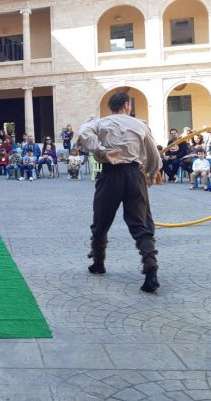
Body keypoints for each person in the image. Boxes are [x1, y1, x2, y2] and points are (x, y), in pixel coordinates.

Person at [78, 91, 162, 293]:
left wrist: (102, 152)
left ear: (111, 107)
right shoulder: (140, 125)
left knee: (101, 221)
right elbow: (154, 154)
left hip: (110, 174)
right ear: (127, 105)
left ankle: (98, 262)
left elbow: (83, 134)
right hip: (134, 175)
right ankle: (150, 268)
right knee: (140, 223)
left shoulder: (101, 123)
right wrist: (150, 174)